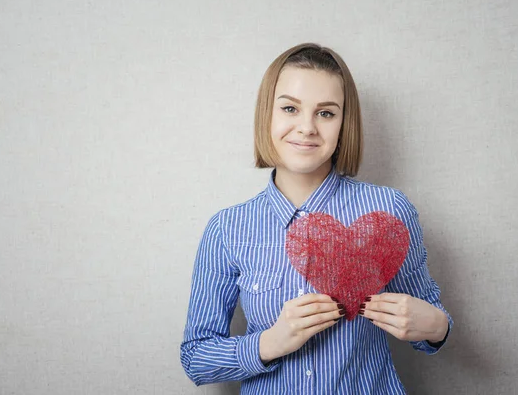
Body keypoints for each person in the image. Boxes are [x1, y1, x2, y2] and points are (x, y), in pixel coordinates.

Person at [180, 43, 453, 394]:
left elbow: (432, 323)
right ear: (268, 114)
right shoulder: (227, 229)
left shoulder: (390, 210)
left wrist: (436, 325)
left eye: (325, 113)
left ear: (344, 123)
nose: (306, 127)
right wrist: (269, 343)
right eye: (290, 108)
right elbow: (195, 358)